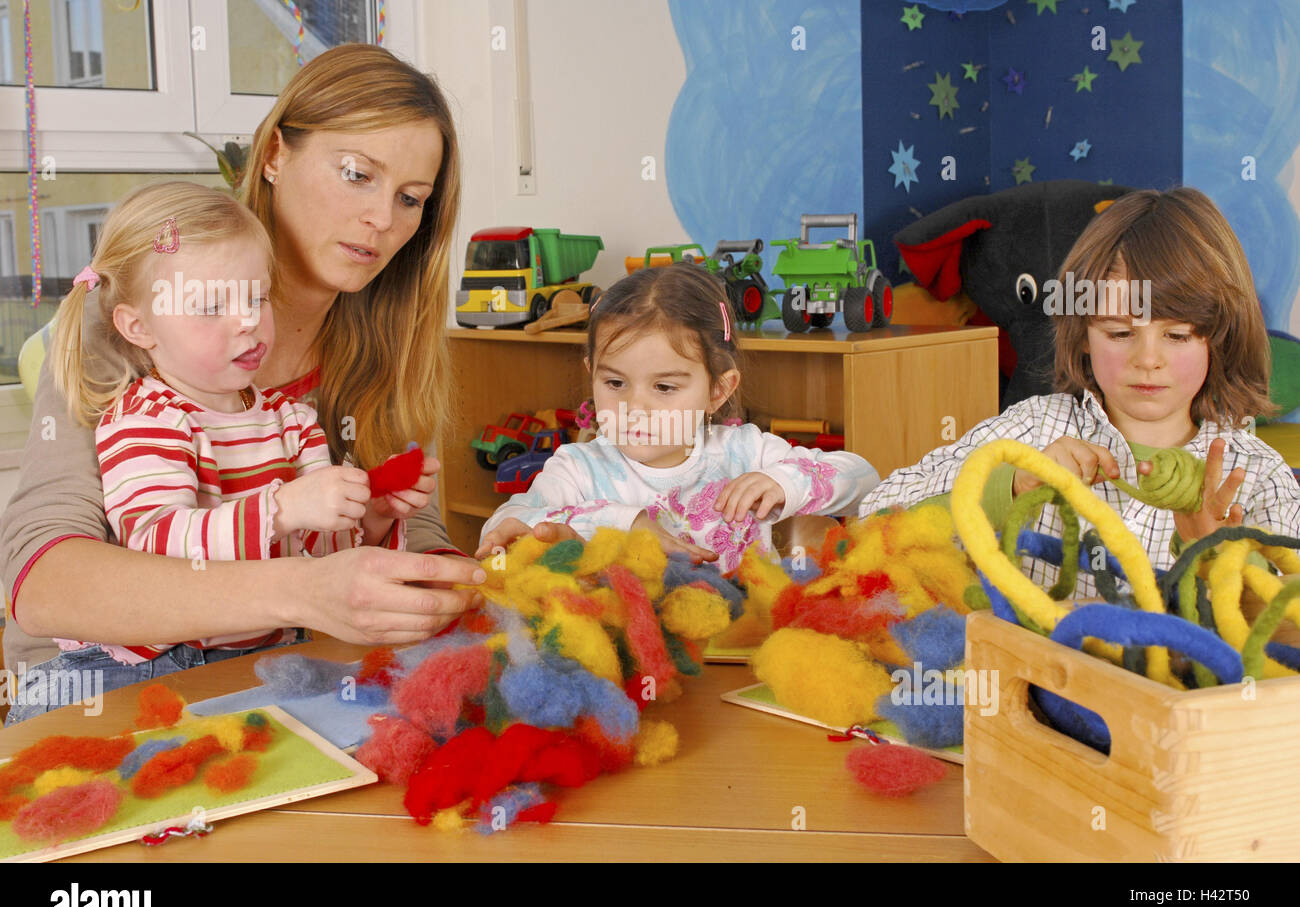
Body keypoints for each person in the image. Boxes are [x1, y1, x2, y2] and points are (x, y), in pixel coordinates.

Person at [2, 45, 484, 722]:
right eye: (356, 174)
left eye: (411, 199)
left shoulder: (391, 345)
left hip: (269, 659)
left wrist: (457, 575)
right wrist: (302, 588)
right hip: (94, 678)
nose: (384, 219)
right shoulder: (133, 310)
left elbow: (410, 536)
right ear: (275, 154)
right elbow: (44, 580)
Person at [861, 187, 1300, 595]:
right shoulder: (1031, 429)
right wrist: (1011, 486)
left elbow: (1286, 623)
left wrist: (1215, 556)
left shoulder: (1257, 475)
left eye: (1179, 336)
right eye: (1120, 332)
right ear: (1083, 333)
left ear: (1219, 337)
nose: (1148, 359)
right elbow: (875, 519)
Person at [477, 263, 880, 572]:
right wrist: (624, 522)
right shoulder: (579, 470)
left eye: (664, 388)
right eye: (615, 383)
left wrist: (785, 481)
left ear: (718, 391)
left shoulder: (745, 452)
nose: (635, 407)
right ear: (592, 375)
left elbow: (865, 480)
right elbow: (503, 528)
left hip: (743, 655)